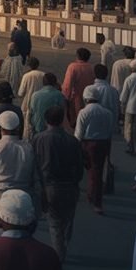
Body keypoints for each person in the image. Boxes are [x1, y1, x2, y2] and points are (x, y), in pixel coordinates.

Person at [31, 105, 83, 261]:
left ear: (46, 120)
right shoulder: (72, 140)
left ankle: (59, 255)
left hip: (49, 187)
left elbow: (33, 164)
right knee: (67, 220)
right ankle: (64, 245)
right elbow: (79, 167)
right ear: (62, 120)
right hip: (70, 186)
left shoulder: (38, 139)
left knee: (54, 224)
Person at [0, 111, 37, 235]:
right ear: (17, 128)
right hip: (23, 194)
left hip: (0, 192)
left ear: (1, 128)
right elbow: (33, 172)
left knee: (0, 231)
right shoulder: (27, 147)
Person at [75, 85, 115, 215]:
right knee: (97, 171)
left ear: (86, 98)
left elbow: (78, 134)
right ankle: (95, 198)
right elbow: (110, 131)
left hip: (87, 144)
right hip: (103, 143)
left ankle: (91, 196)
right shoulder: (107, 113)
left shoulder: (84, 112)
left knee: (86, 170)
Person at [26, 73, 66, 141]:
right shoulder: (59, 95)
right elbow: (63, 112)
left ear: (43, 83)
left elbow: (30, 113)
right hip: (54, 130)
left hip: (38, 128)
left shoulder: (35, 95)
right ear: (55, 83)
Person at [62, 47, 96, 127]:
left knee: (76, 120)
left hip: (76, 98)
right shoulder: (91, 68)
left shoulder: (73, 67)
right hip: (89, 98)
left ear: (77, 56)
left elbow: (68, 84)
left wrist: (65, 97)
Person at [16, 56, 44, 139]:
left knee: (27, 127)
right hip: (40, 103)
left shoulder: (26, 76)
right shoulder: (43, 74)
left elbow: (20, 92)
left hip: (27, 104)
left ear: (28, 65)